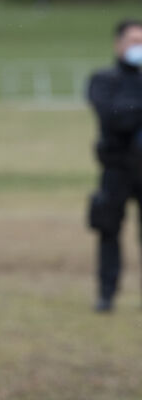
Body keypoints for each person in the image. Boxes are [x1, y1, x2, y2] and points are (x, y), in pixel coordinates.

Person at [88, 19, 142, 313]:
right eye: (134, 41)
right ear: (119, 44)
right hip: (116, 167)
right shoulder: (104, 80)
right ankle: (106, 294)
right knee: (109, 230)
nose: (139, 48)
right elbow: (113, 117)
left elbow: (125, 113)